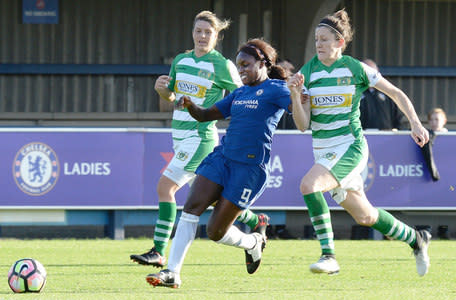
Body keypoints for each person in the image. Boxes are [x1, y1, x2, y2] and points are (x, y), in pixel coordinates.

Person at [288, 8, 431, 277]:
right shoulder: (309, 72)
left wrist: (415, 122)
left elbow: (395, 93)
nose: (318, 44)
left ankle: (328, 256)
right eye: (317, 39)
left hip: (350, 147)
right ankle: (417, 239)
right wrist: (295, 96)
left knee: (309, 185)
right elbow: (302, 125)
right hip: (324, 152)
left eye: (325, 39)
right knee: (365, 217)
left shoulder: (355, 68)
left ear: (340, 42)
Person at [146, 38, 292, 288]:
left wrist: (302, 95)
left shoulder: (278, 89)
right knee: (191, 206)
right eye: (239, 66)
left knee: (215, 232)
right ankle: (172, 272)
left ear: (263, 63)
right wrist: (191, 105)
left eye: (246, 64)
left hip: (249, 169)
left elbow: (303, 114)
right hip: (222, 159)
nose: (241, 70)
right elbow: (204, 116)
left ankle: (253, 242)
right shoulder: (239, 93)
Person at [130, 11, 269, 268]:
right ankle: (255, 222)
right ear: (192, 33)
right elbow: (170, 101)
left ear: (217, 36)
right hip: (180, 136)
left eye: (208, 32)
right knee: (210, 197)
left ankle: (159, 251)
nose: (202, 36)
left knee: (165, 187)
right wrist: (163, 91)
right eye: (198, 31)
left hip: (200, 136)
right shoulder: (181, 61)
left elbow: (245, 95)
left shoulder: (222, 65)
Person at [359, 59, 405, 130]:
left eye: (373, 73)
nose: (370, 77)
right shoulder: (354, 92)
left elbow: (398, 117)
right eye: (367, 73)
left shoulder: (388, 92)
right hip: (362, 137)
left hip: (386, 137)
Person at [421, 108, 448, 181]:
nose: (433, 122)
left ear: (444, 121)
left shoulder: (451, 137)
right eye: (431, 120)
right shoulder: (425, 136)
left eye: (437, 119)